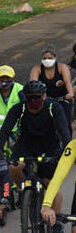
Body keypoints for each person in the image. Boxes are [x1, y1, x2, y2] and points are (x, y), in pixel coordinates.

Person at [0, 80, 70, 232]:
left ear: (44, 96)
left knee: (52, 186)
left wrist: (66, 153)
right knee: (13, 167)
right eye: (30, 97)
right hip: (26, 145)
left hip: (49, 147)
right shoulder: (20, 108)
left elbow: (65, 132)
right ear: (25, 97)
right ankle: (25, 191)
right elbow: (5, 131)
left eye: (37, 97)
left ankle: (56, 222)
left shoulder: (53, 107)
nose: (33, 101)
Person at [30, 46, 74, 130]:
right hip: (45, 99)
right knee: (43, 123)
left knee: (65, 122)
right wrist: (38, 96)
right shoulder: (37, 68)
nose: (47, 60)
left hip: (63, 98)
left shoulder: (62, 67)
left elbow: (67, 81)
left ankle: (67, 141)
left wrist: (70, 93)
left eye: (50, 58)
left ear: (55, 58)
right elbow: (33, 84)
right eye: (44, 58)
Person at [0, 65, 23, 222]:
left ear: (13, 79)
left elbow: (26, 108)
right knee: (3, 164)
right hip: (1, 132)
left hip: (17, 130)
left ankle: (20, 188)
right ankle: (8, 192)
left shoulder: (20, 90)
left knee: (18, 161)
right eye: (2, 78)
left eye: (7, 78)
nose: (4, 81)